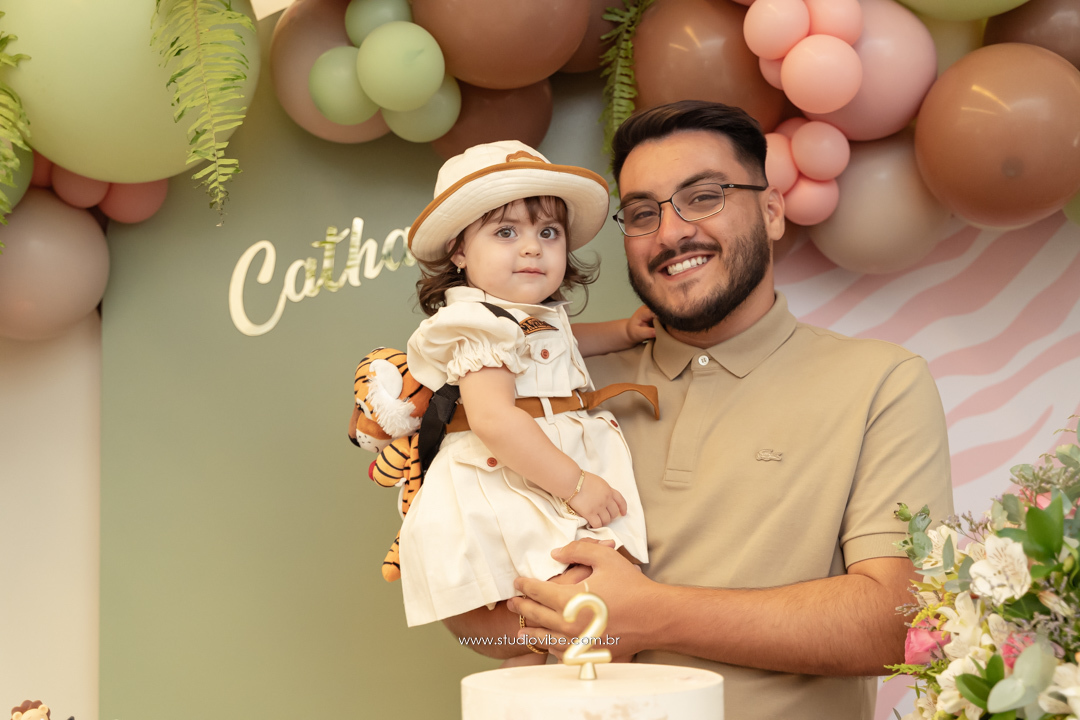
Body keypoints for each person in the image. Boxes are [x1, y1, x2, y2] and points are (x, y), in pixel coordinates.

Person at [443, 102, 955, 718]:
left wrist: (651, 615)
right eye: (642, 213)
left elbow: (905, 624)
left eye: (704, 197)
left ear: (771, 212)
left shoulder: (879, 382)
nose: (670, 233)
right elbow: (474, 619)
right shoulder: (555, 386)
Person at [399, 140, 659, 639]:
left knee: (583, 608)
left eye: (548, 232)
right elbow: (494, 419)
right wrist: (576, 485)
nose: (532, 247)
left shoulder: (531, 318)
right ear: (459, 250)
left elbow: (560, 344)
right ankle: (534, 656)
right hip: (515, 474)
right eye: (505, 232)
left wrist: (623, 332)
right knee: (567, 602)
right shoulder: (477, 324)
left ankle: (545, 658)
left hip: (543, 465)